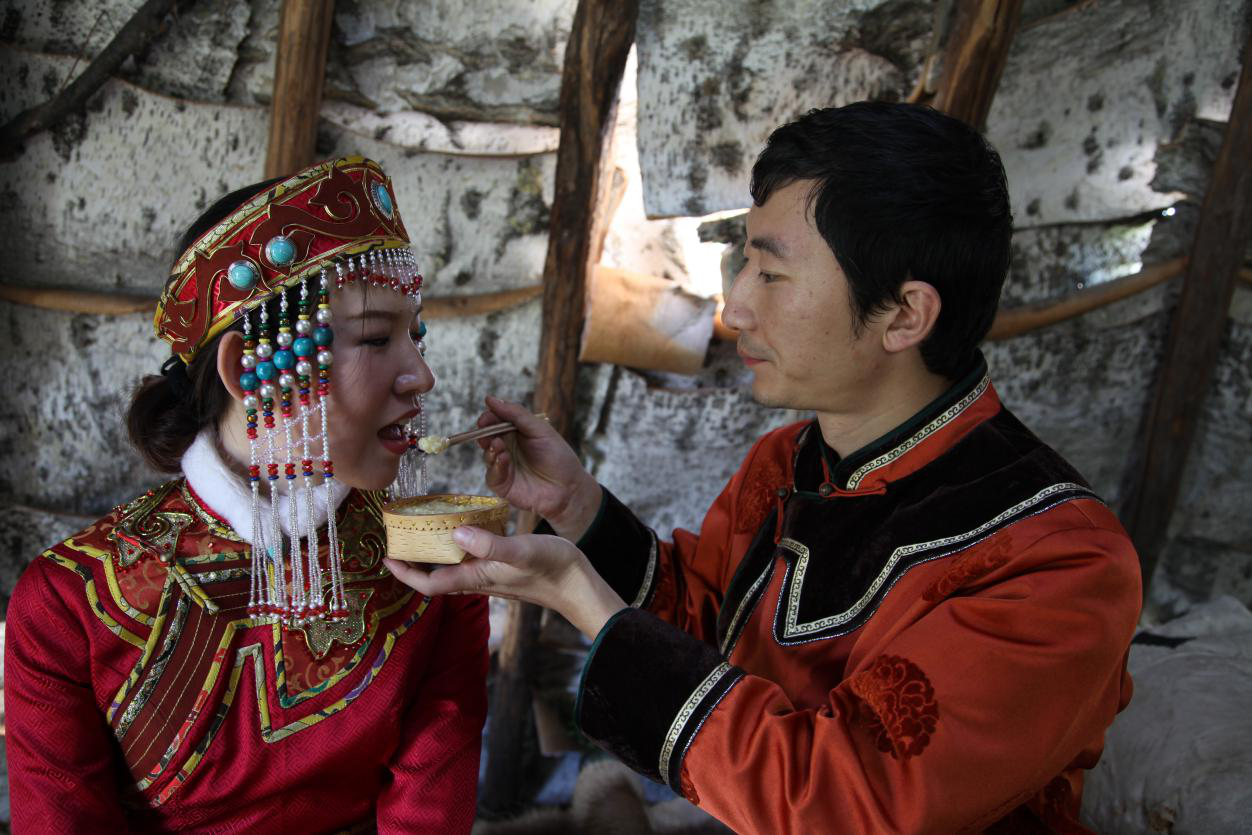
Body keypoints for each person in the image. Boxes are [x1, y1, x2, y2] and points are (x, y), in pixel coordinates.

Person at [387, 103, 1142, 833]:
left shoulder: (1059, 564)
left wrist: (578, 596)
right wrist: (578, 507)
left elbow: (846, 803)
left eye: (773, 274)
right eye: (743, 261)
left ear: (905, 314)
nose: (736, 307)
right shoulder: (787, 464)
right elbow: (704, 625)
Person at [5, 157, 488, 833]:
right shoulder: (69, 603)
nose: (422, 375)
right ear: (247, 367)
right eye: (378, 337)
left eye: (416, 333)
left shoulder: (433, 571)